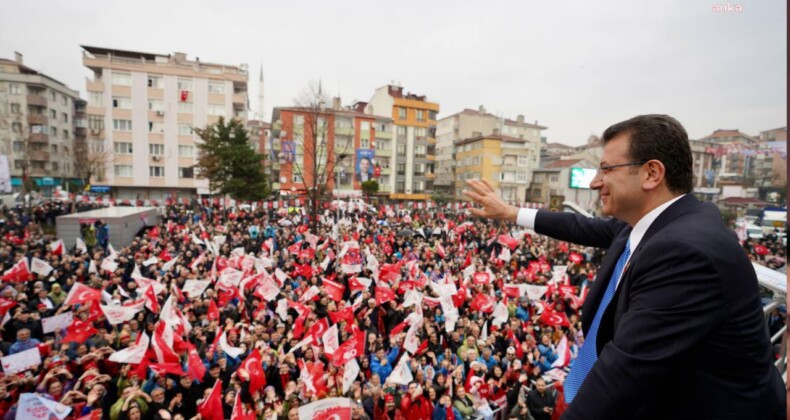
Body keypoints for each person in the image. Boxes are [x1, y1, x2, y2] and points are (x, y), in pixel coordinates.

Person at [463, 114, 786, 419]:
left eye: (606, 170)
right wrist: (509, 212)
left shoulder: (684, 252)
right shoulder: (658, 225)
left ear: (651, 173)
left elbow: (622, 373)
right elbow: (579, 227)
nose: (595, 182)